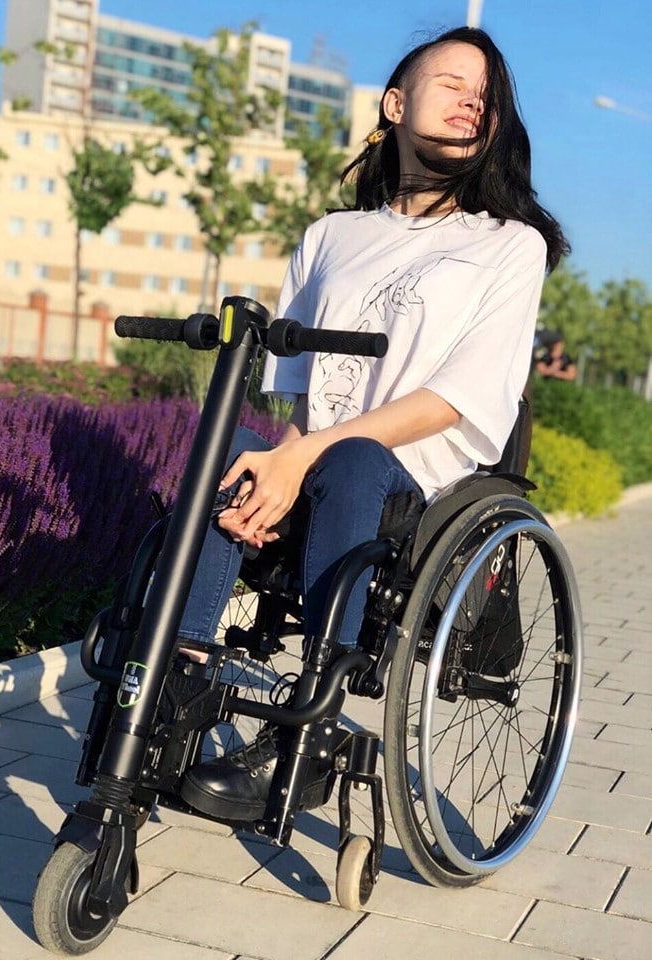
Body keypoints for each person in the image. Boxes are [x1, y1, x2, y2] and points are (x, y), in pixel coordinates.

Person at [177, 26, 569, 821]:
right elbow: (298, 396)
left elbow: (461, 395)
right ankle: (171, 687)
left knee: (353, 459)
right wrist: (281, 462)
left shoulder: (508, 246)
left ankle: (309, 732)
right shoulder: (331, 236)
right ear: (395, 104)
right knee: (230, 452)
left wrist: (314, 451)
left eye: (486, 96)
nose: (473, 102)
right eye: (453, 83)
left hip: (413, 486)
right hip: (320, 460)